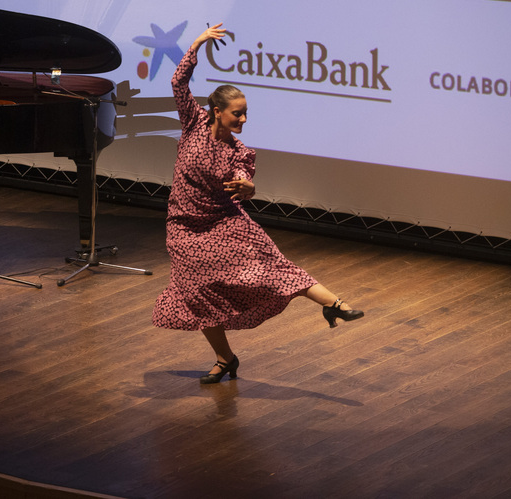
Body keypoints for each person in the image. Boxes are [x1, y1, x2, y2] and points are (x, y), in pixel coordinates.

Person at [152, 23, 363, 385]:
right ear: (216, 111)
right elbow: (177, 83)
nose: (244, 119)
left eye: (246, 112)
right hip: (184, 228)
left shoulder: (240, 152)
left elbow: (244, 184)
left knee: (273, 268)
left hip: (224, 224)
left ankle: (335, 305)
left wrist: (247, 188)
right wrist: (198, 43)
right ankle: (225, 359)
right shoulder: (193, 123)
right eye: (238, 113)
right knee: (199, 296)